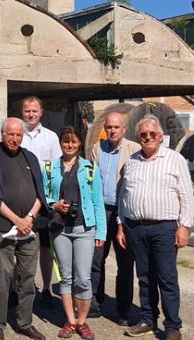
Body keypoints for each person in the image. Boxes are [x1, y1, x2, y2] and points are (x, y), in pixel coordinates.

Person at [117, 115, 193, 340]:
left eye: (152, 134)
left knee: (166, 278)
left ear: (160, 137)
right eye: (143, 134)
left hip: (165, 228)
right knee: (144, 277)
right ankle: (148, 319)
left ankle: (172, 326)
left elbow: (186, 195)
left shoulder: (174, 159)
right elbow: (124, 197)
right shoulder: (131, 161)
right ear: (138, 137)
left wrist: (184, 226)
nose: (148, 137)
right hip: (136, 228)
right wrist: (121, 225)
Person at [0, 117, 47, 340]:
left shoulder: (29, 157)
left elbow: (39, 193)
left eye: (18, 134)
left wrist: (30, 217)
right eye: (10, 134)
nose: (14, 138)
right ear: (2, 134)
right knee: (2, 280)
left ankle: (25, 322)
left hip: (29, 227)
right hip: (3, 227)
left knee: (28, 278)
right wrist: (16, 220)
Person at [44, 126, 106, 340]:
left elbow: (98, 203)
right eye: (66, 141)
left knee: (83, 278)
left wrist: (101, 233)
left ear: (80, 144)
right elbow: (44, 196)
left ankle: (82, 321)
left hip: (84, 229)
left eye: (74, 141)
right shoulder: (51, 168)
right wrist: (55, 205)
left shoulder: (90, 168)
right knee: (66, 278)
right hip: (60, 229)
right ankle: (70, 321)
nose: (70, 145)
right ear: (60, 144)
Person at [89, 112, 139, 324]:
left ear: (124, 129)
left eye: (116, 127)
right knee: (96, 259)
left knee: (125, 264)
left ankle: (123, 309)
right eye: (109, 127)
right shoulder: (97, 148)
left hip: (123, 213)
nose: (112, 131)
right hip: (101, 211)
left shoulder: (134, 150)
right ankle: (94, 302)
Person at [20, 96, 61, 308]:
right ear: (22, 112)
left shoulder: (51, 138)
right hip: (21, 199)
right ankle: (17, 288)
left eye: (34, 111)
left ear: (41, 112)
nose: (31, 114)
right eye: (27, 111)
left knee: (45, 247)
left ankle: (45, 288)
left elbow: (57, 169)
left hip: (45, 202)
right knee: (19, 245)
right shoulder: (17, 134)